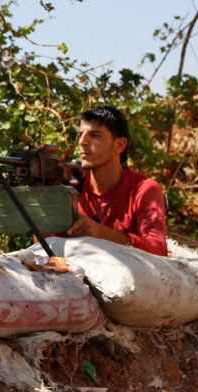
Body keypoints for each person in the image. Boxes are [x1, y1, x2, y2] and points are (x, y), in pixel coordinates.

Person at [44, 106, 167, 272]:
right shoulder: (71, 187)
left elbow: (158, 251)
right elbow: (49, 252)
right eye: (80, 135)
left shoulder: (143, 189)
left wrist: (101, 234)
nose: (82, 142)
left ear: (119, 145)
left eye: (94, 135)